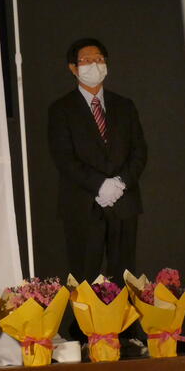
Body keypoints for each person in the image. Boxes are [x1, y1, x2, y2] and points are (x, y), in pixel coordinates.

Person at [48, 38, 147, 284]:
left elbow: (139, 151)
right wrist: (100, 185)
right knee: (83, 278)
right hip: (82, 204)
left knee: (125, 277)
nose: (94, 64)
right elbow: (64, 158)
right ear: (73, 68)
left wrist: (119, 183)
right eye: (86, 60)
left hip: (124, 203)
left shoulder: (125, 106)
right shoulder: (61, 109)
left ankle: (124, 312)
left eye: (99, 59)